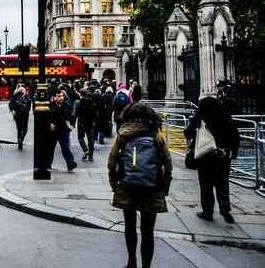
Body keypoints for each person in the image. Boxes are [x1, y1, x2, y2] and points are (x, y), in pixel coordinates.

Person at [108, 103, 172, 268]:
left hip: (127, 186)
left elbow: (112, 160)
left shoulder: (123, 134)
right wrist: (164, 186)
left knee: (130, 226)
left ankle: (131, 261)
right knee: (147, 231)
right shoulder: (156, 135)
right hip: (152, 188)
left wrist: (114, 183)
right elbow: (167, 162)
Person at [184, 96, 240, 224]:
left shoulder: (200, 117)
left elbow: (187, 133)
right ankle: (225, 208)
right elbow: (235, 136)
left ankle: (208, 212)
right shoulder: (224, 116)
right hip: (222, 156)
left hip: (205, 156)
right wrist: (233, 152)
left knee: (206, 185)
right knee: (222, 183)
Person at [48, 89, 77, 171]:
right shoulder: (50, 105)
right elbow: (45, 117)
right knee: (50, 148)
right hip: (53, 130)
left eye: (62, 96)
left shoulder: (66, 105)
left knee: (65, 147)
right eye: (59, 96)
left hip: (63, 129)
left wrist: (72, 124)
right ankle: (48, 163)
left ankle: (70, 163)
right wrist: (50, 124)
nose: (61, 98)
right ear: (54, 97)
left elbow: (71, 116)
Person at [76, 87, 98, 161]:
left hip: (81, 123)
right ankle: (91, 156)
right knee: (90, 139)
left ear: (80, 94)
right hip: (90, 123)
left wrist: (72, 123)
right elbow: (95, 112)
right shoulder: (91, 102)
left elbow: (76, 113)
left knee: (80, 137)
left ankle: (85, 150)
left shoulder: (79, 102)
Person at [9, 86, 32, 150]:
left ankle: (20, 140)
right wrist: (13, 110)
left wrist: (13, 110)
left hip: (22, 115)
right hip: (20, 115)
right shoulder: (16, 96)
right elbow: (11, 104)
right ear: (21, 90)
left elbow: (29, 104)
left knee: (22, 129)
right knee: (22, 129)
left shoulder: (26, 96)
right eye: (24, 90)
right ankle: (20, 142)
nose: (25, 91)